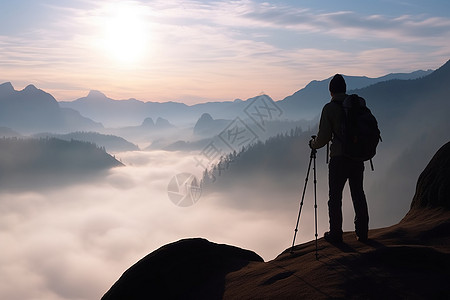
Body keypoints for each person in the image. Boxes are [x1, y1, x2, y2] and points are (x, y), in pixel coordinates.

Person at [309, 74, 369, 243]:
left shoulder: (330, 108)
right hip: (357, 157)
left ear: (331, 91)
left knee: (335, 197)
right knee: (358, 193)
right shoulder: (355, 106)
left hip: (339, 159)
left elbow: (323, 138)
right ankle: (362, 233)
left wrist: (312, 144)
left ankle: (336, 233)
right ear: (344, 88)